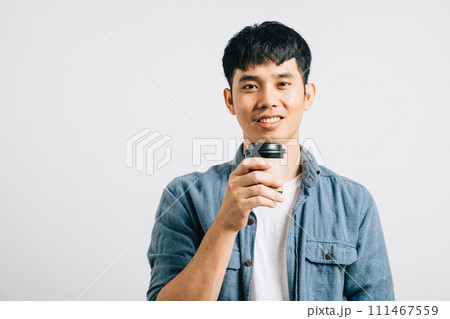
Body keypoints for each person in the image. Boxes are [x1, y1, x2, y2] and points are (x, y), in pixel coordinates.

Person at [146, 21, 395, 301]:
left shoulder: (353, 202)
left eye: (283, 84)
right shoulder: (184, 198)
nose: (268, 99)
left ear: (307, 95)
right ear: (230, 100)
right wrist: (225, 226)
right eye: (251, 86)